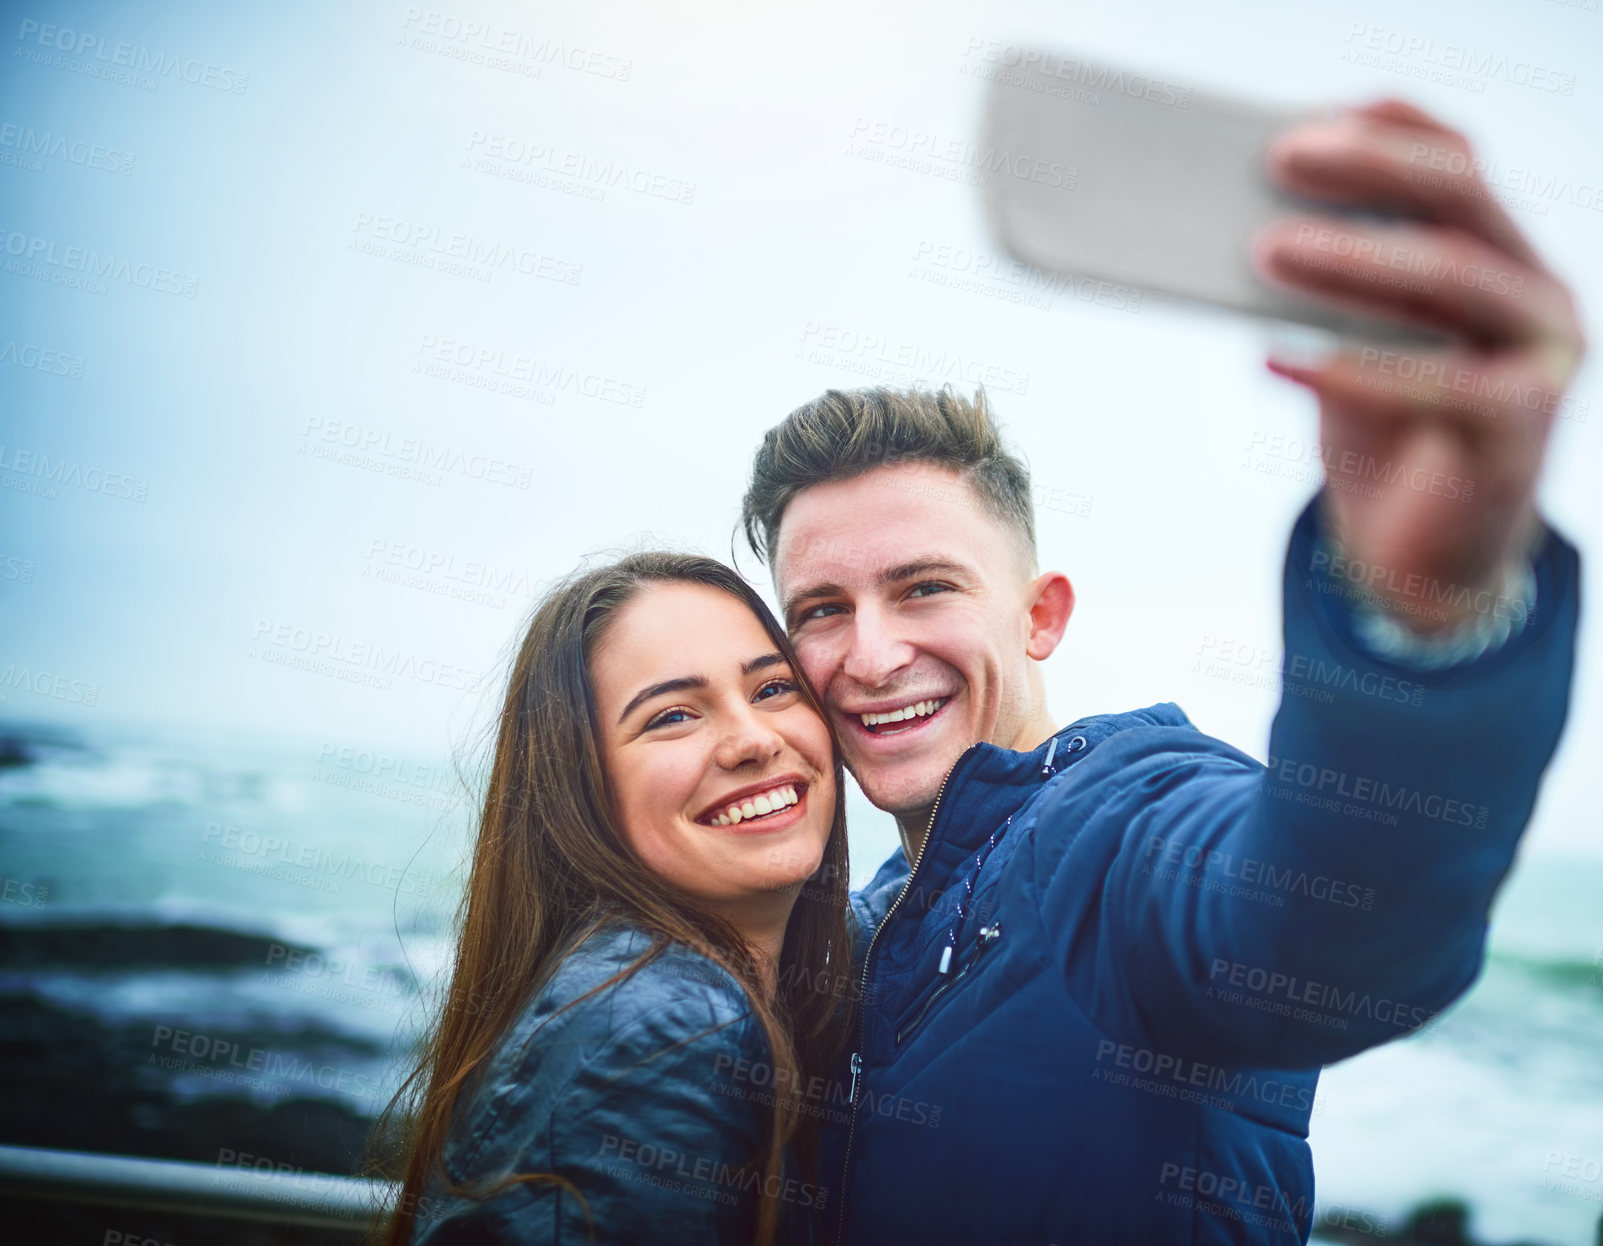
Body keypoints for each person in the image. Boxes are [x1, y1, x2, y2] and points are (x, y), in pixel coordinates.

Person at [737, 101, 1585, 1243]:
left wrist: (1423, 626)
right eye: (822, 610)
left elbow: (1325, 928)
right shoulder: (862, 927)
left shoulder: (1110, 831)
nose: (873, 654)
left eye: (926, 587)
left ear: (1041, 616)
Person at [374, 552, 853, 1245]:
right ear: (581, 789)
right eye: (673, 716)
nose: (752, 741)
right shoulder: (661, 1030)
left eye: (773, 689)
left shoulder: (670, 995)